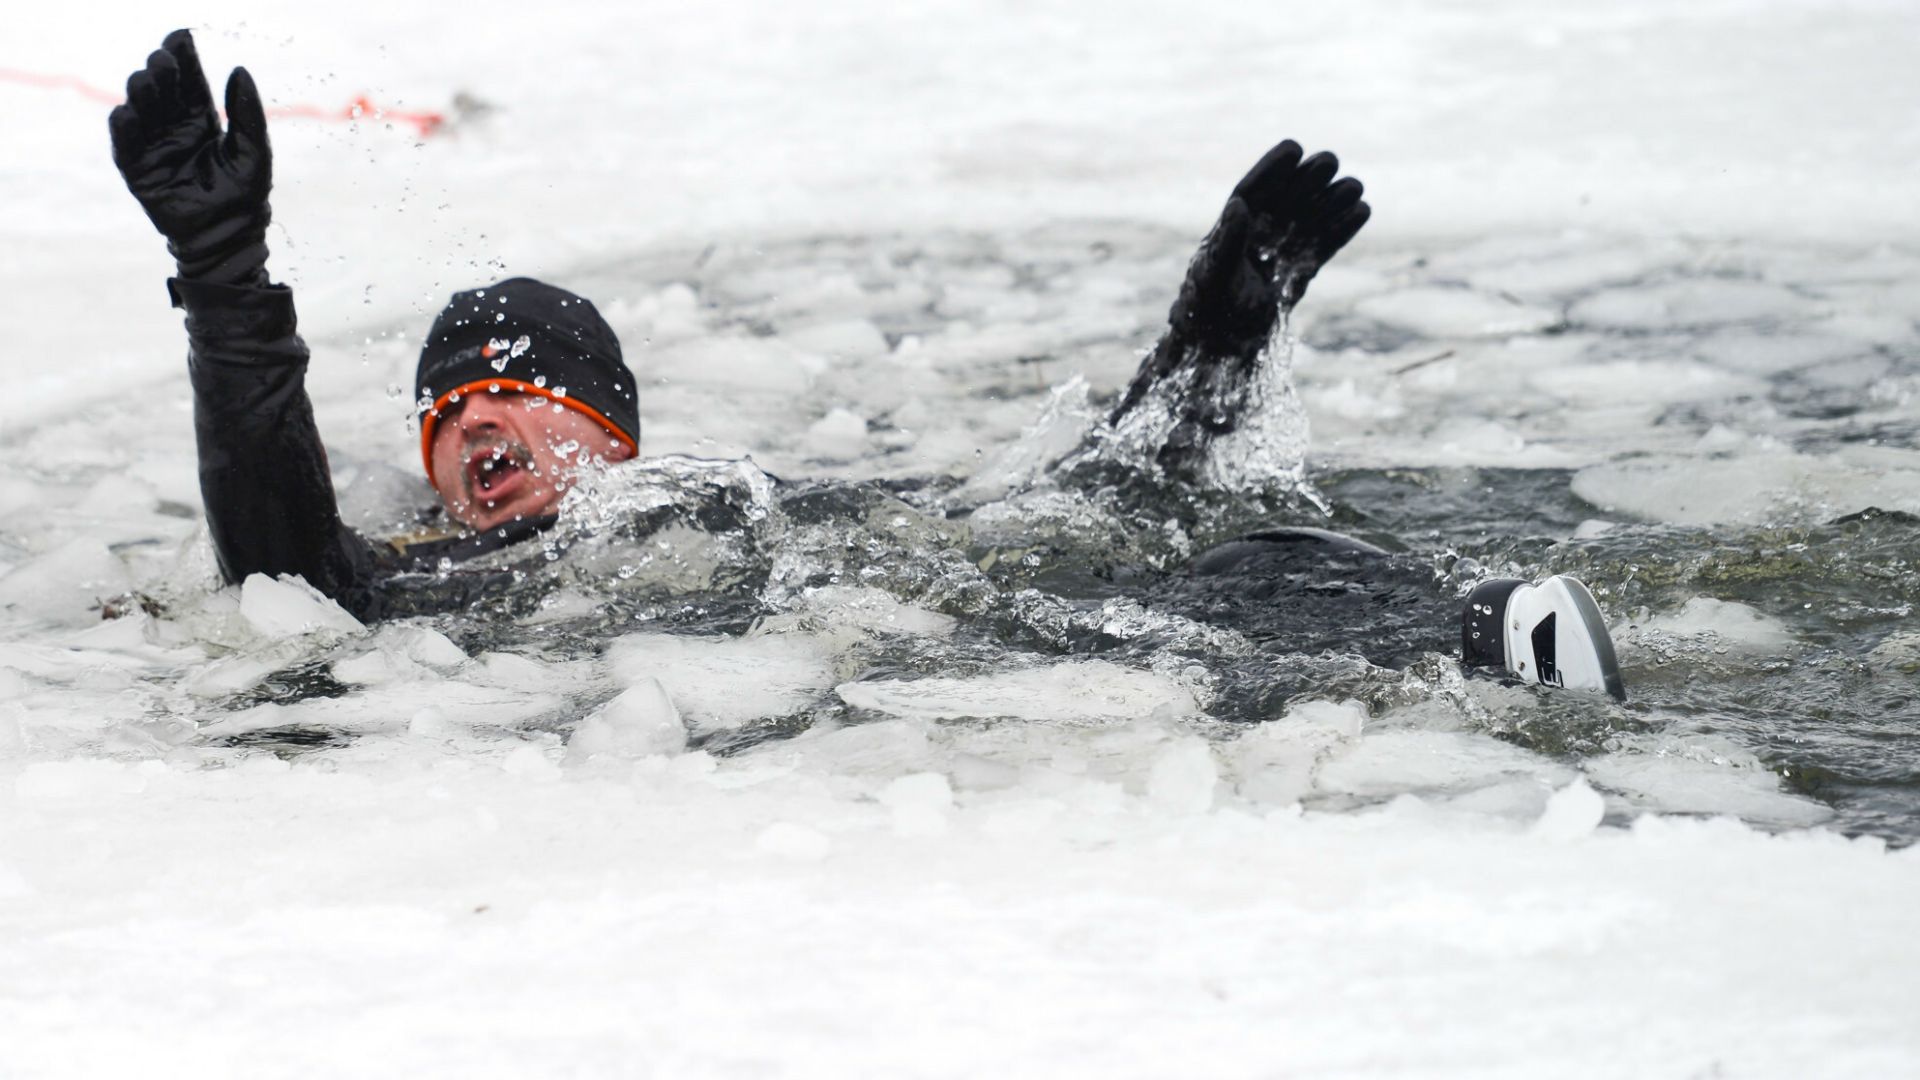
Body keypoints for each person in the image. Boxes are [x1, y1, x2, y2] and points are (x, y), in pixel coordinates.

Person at [109, 30, 1623, 700]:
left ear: (615, 440)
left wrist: (1212, 337)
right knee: (1112, 631)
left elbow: (1073, 503)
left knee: (1221, 549)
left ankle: (1473, 626)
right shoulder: (435, 588)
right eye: (450, 415)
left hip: (919, 582)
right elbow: (287, 569)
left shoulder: (721, 497)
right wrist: (226, 284)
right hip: (897, 663)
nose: (477, 423)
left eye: (519, 394)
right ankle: (1482, 663)